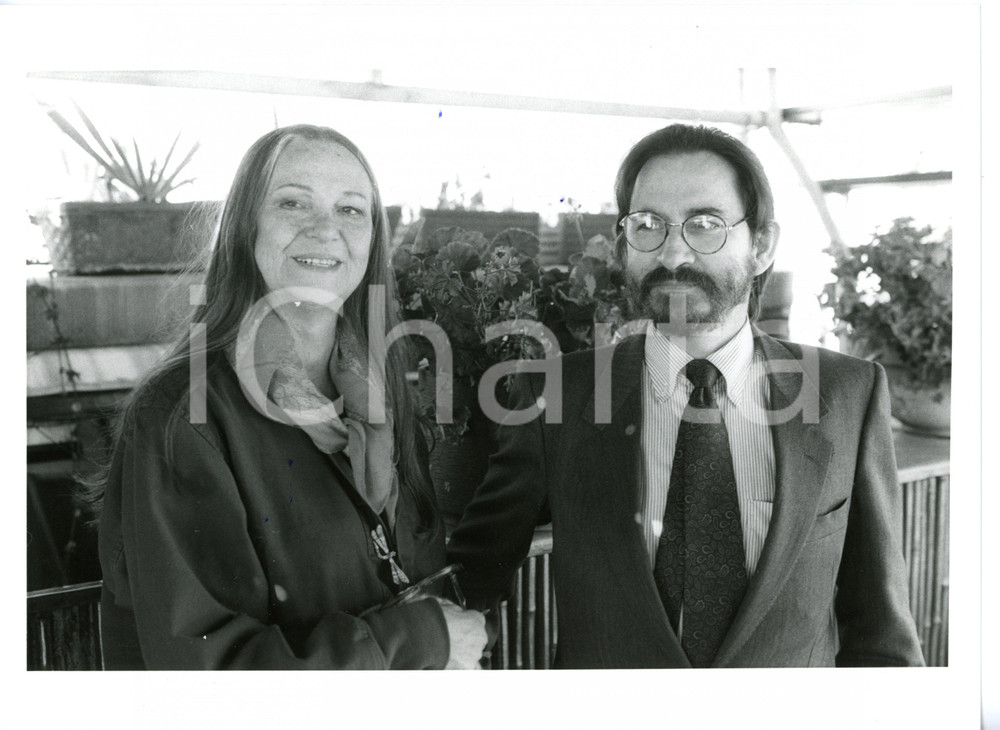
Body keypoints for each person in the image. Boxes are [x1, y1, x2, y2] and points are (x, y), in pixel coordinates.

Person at [447, 123, 924, 668]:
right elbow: (472, 578)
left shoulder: (848, 394)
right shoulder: (554, 394)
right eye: (648, 225)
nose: (673, 252)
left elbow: (882, 632)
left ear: (762, 245)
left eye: (706, 225)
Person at [96, 124, 487, 669]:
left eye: (351, 210)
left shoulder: (381, 391)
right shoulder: (184, 416)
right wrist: (417, 640)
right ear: (244, 230)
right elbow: (205, 677)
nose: (326, 230)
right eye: (293, 203)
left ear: (374, 238)